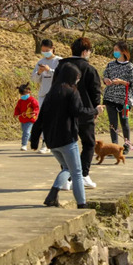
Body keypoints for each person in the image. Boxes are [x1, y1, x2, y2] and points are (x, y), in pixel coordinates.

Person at [30, 63, 105, 208]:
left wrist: (34, 140)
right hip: (67, 138)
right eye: (77, 78)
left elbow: (41, 118)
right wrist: (95, 111)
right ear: (73, 78)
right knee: (77, 172)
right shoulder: (72, 92)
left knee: (67, 168)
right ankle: (81, 203)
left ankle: (53, 196)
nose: (77, 80)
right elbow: (78, 111)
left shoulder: (51, 93)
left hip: (52, 141)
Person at [53, 37, 101, 189]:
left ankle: (67, 178)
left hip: (63, 112)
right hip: (84, 112)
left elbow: (55, 88)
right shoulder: (89, 68)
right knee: (88, 143)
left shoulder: (61, 67)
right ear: (85, 51)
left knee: (67, 144)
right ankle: (83, 175)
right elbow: (95, 92)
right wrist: (95, 110)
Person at [102, 42, 133, 154]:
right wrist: (106, 80)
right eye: (114, 50)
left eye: (117, 50)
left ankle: (127, 145)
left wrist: (121, 82)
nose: (115, 52)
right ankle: (114, 146)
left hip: (124, 100)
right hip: (110, 98)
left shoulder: (129, 66)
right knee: (113, 124)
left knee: (124, 122)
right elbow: (104, 76)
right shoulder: (110, 65)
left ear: (123, 51)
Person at [30, 39, 62, 154]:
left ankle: (57, 142)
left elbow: (62, 76)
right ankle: (45, 142)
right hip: (44, 94)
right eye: (43, 51)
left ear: (53, 48)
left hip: (57, 94)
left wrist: (50, 70)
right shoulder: (40, 61)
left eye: (47, 50)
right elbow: (34, 80)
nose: (45, 52)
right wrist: (39, 72)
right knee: (43, 119)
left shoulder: (59, 61)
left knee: (56, 119)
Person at [14, 83, 39, 151]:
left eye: (24, 94)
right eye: (22, 95)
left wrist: (34, 113)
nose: (23, 96)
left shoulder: (32, 100)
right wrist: (16, 113)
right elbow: (17, 108)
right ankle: (33, 139)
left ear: (29, 92)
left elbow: (36, 108)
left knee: (26, 132)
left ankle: (24, 145)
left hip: (30, 118)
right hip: (22, 118)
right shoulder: (20, 101)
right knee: (25, 132)